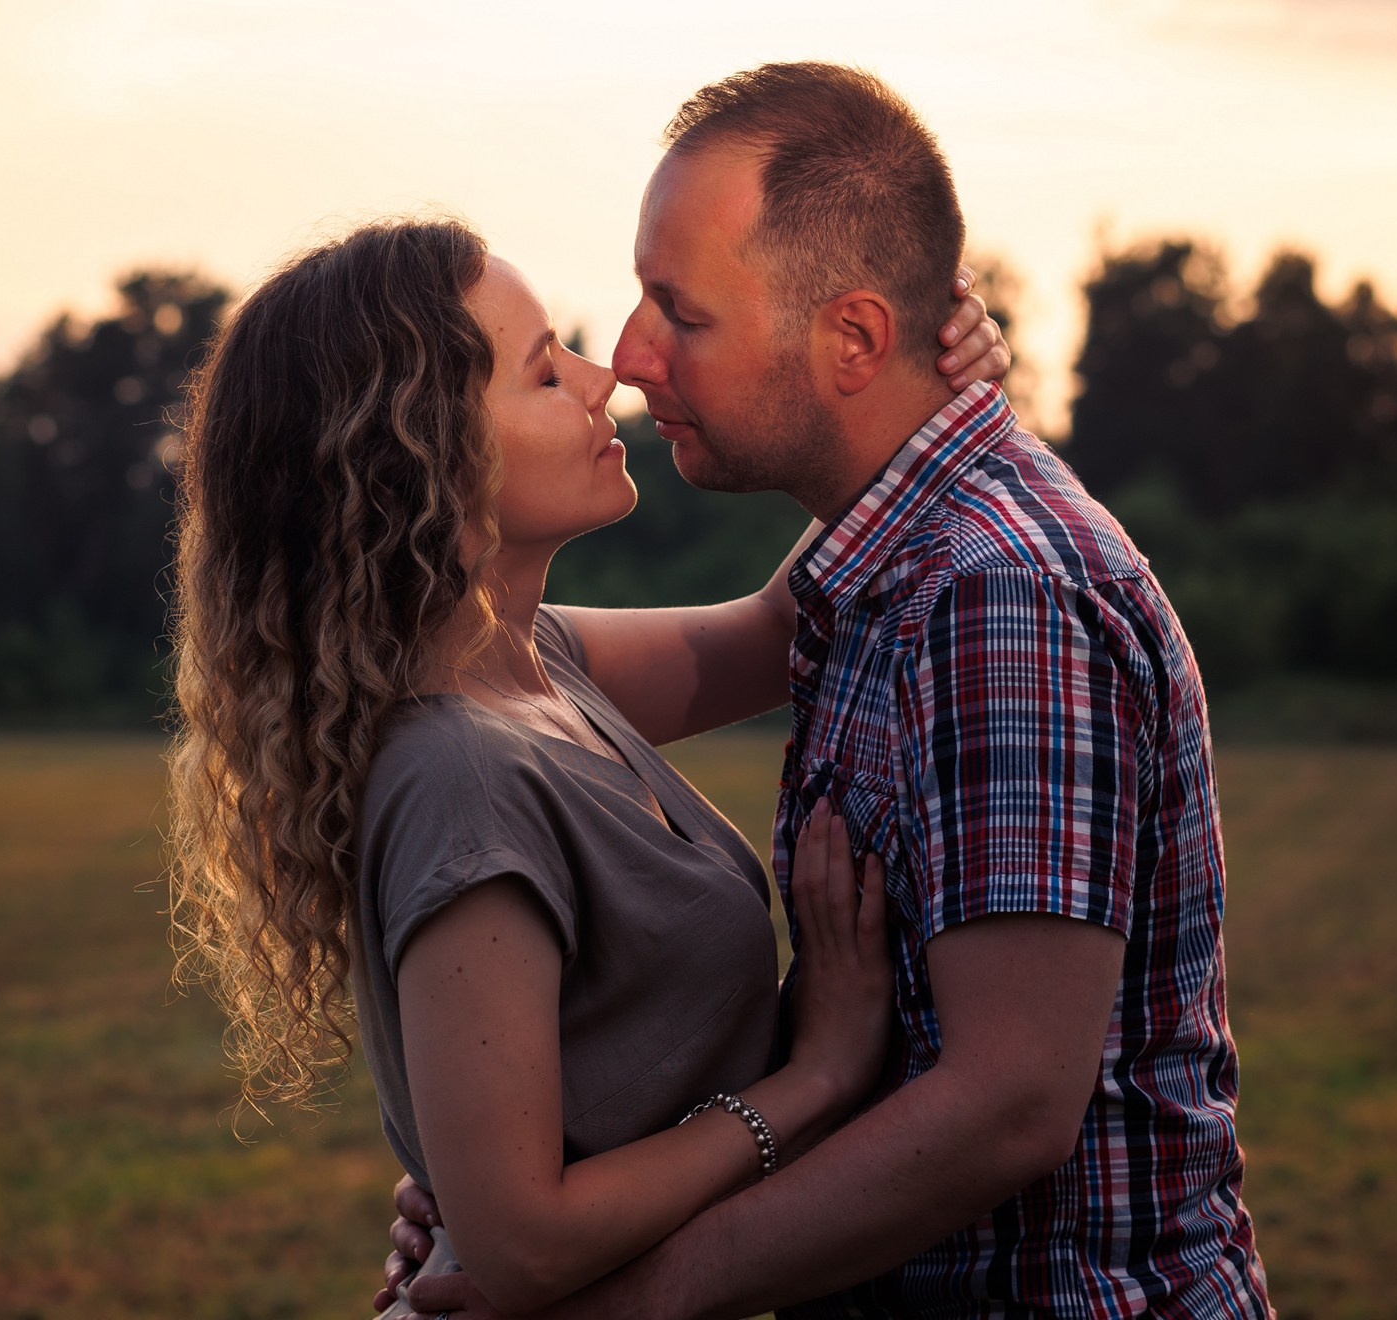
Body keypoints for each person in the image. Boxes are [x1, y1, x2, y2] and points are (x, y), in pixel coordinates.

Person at [390, 62, 1271, 1319]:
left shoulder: (994, 597)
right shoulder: (877, 575)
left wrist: (618, 1300)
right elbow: (705, 638)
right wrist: (499, 1194)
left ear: (852, 337)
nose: (628, 362)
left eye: (679, 314)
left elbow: (1008, 1104)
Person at [165, 219, 1012, 1313]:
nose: (602, 374)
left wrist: (917, 392)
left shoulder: (539, 669)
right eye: (544, 367)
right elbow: (522, 1242)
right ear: (424, 459)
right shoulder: (463, 775)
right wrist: (815, 1081)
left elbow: (780, 625)